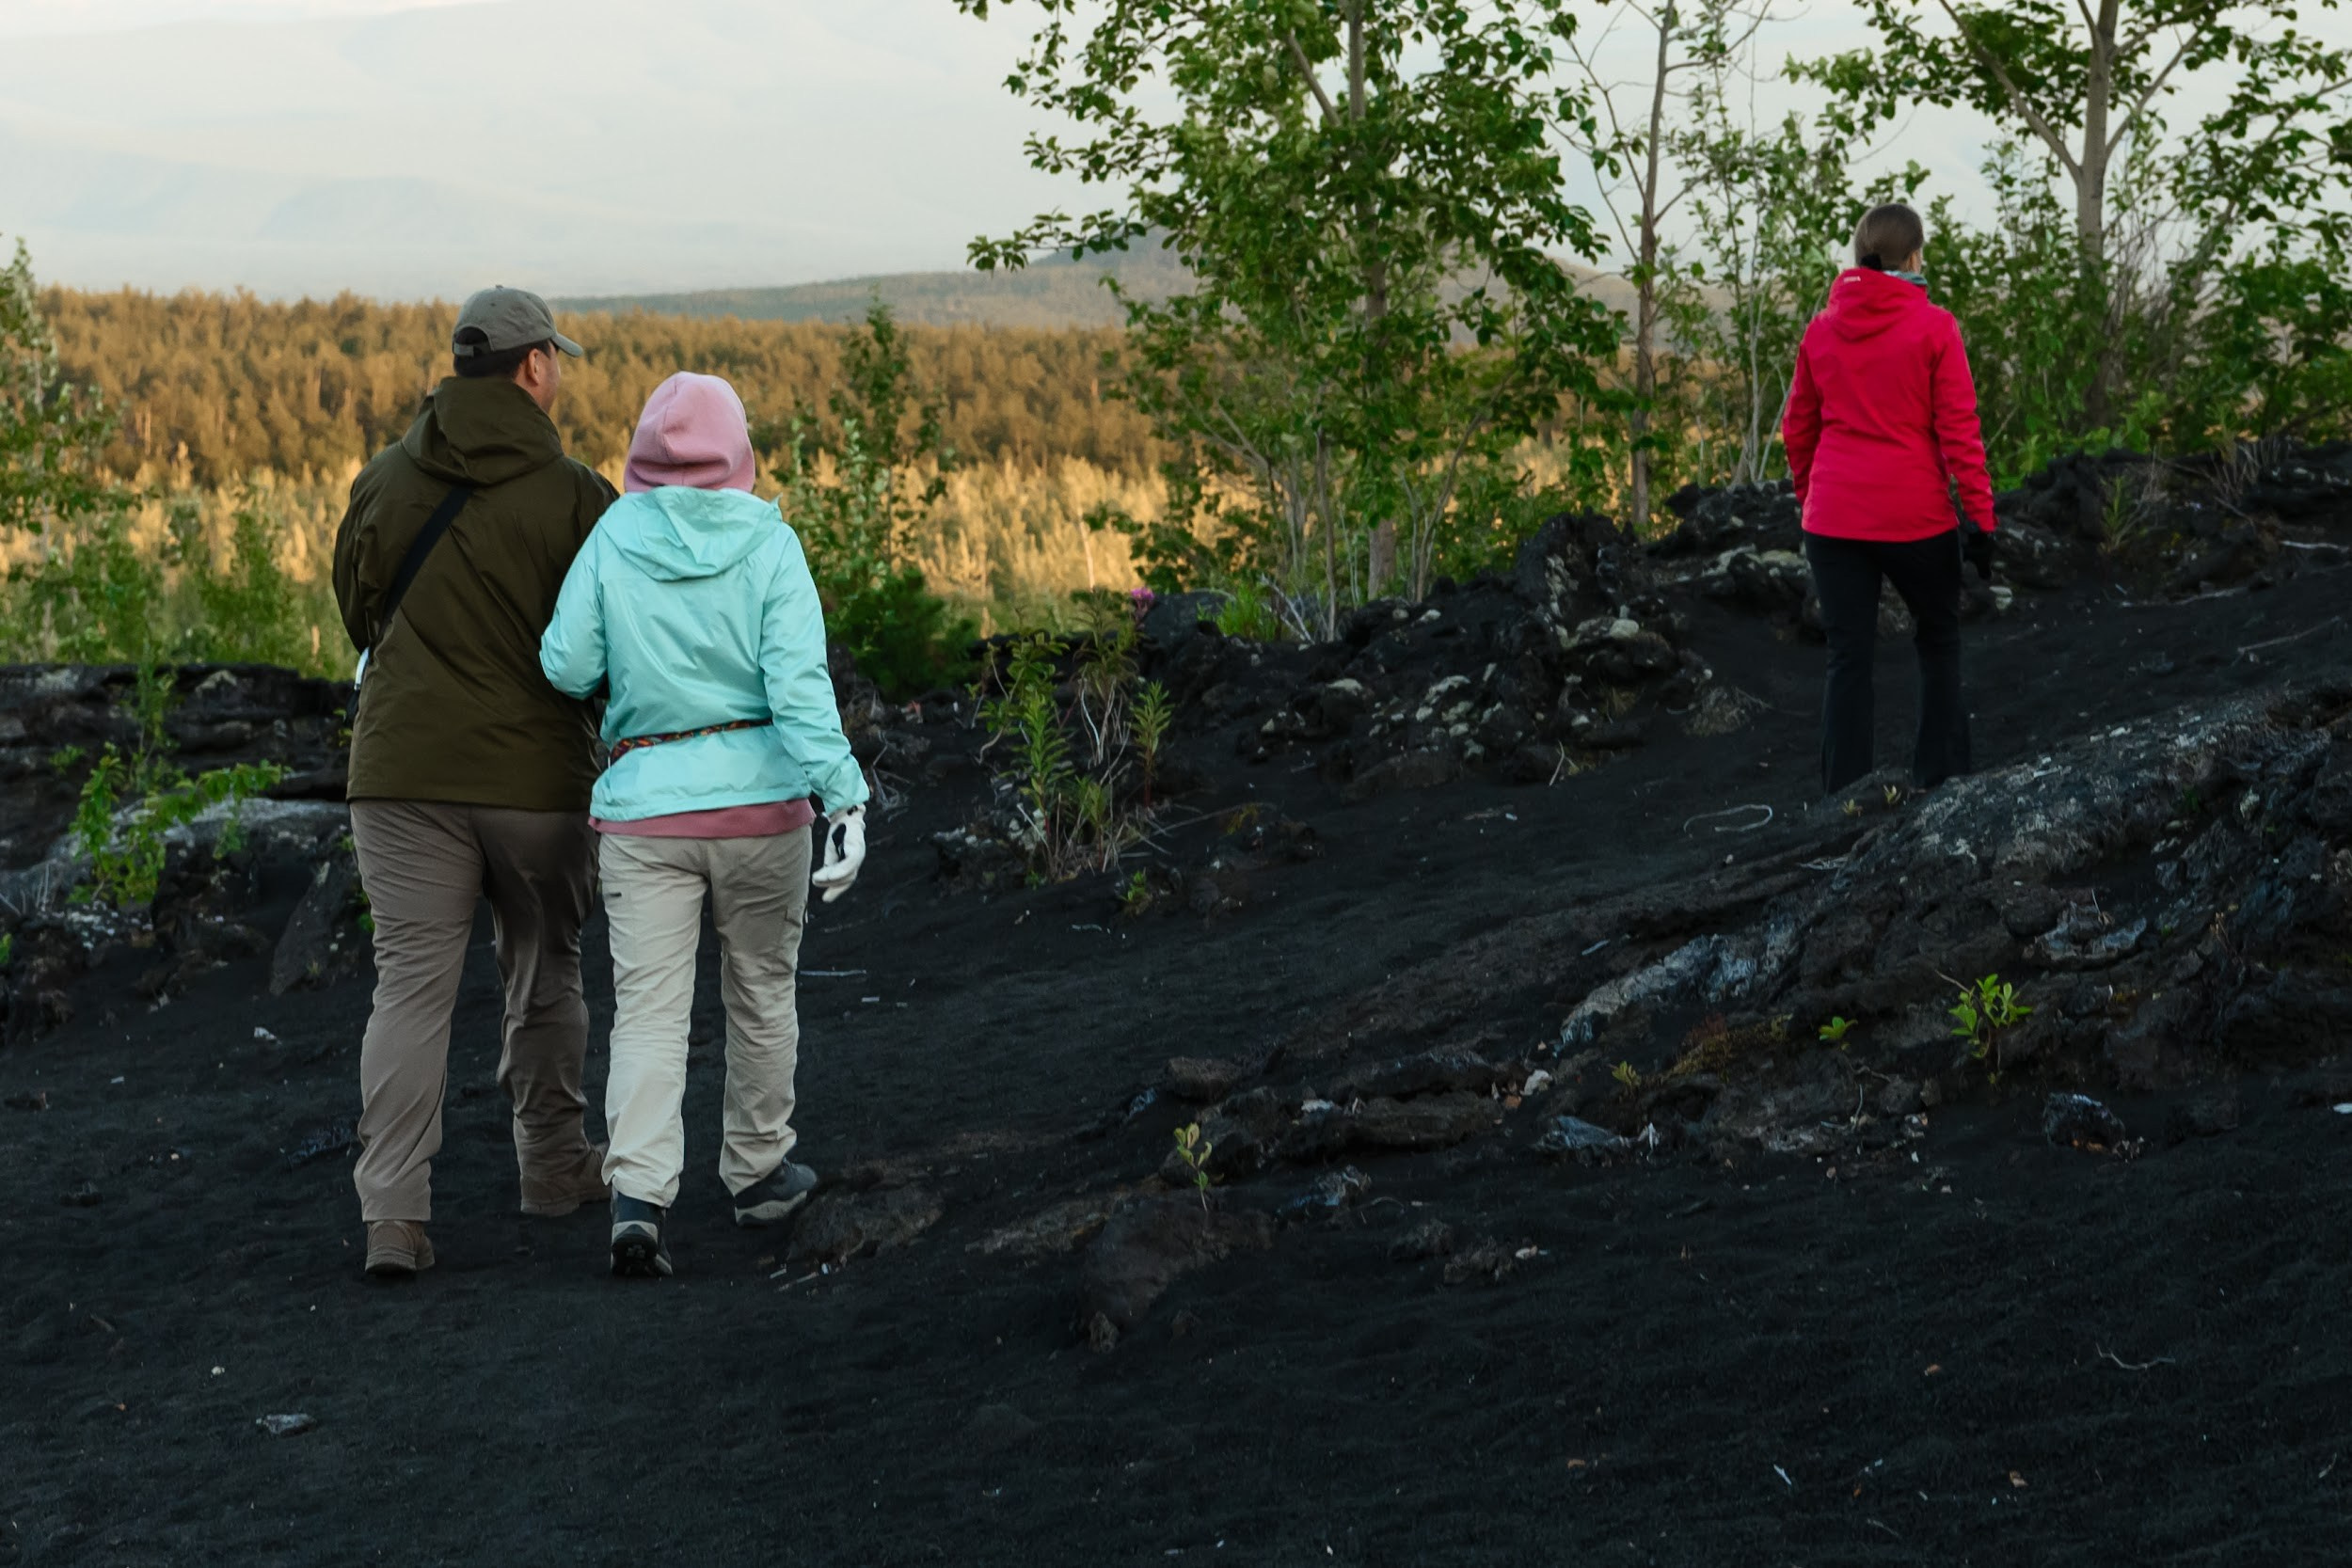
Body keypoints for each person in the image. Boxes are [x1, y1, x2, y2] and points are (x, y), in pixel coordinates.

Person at [539, 371, 869, 1280]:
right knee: (761, 994)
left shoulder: (612, 536)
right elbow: (801, 694)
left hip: (644, 814)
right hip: (763, 810)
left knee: (648, 1010)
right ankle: (760, 1174)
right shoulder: (772, 542)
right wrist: (843, 796)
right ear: (740, 452)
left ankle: (638, 1198)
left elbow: (567, 665)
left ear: (643, 453)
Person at [332, 286, 616, 1280]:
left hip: (401, 772)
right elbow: (607, 645)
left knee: (408, 989)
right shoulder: (578, 493)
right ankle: (551, 1168)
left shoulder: (383, 480)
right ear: (534, 365)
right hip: (536, 780)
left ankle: (393, 1217)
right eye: (558, 360)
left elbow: (359, 612)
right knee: (545, 966)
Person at [1782, 202, 1997, 797]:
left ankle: (1845, 800)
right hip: (1915, 519)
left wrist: (1812, 500)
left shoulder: (1822, 329)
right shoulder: (1935, 327)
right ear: (1915, 257)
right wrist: (1980, 520)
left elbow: (1798, 431)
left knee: (1847, 656)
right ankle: (1942, 783)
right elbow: (1960, 432)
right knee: (1938, 639)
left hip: (1834, 521)